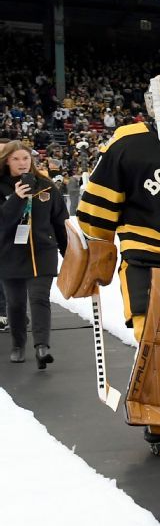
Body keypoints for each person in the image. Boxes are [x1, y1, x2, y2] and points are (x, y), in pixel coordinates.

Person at [62, 72, 160, 457]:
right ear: (152, 106)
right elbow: (97, 208)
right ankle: (157, 412)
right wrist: (93, 255)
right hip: (150, 257)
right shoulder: (128, 142)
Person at [0, 141, 68, 366]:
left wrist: (68, 253)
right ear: (7, 161)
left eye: (26, 158)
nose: (22, 163)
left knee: (39, 298)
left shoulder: (46, 186)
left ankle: (41, 346)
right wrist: (17, 199)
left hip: (42, 252)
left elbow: (61, 222)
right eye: (16, 159)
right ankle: (18, 344)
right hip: (9, 254)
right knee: (16, 304)